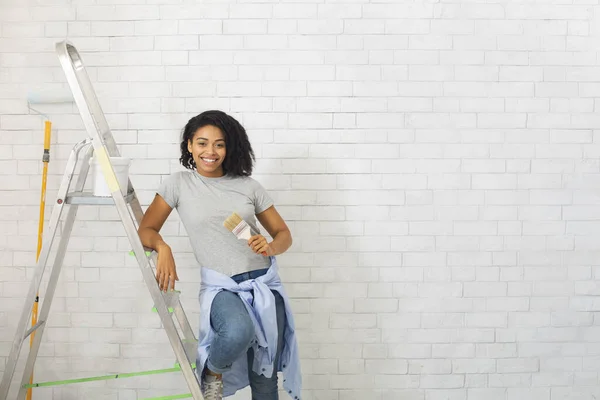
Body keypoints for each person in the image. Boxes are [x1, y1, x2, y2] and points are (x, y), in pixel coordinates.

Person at [137, 110, 302, 400]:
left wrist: (271, 246)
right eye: (202, 143)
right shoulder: (179, 184)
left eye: (219, 144)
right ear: (189, 146)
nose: (210, 152)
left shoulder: (249, 186)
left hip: (264, 284)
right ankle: (213, 371)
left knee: (264, 378)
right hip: (222, 286)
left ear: (229, 148)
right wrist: (162, 247)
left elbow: (284, 234)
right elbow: (146, 229)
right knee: (237, 331)